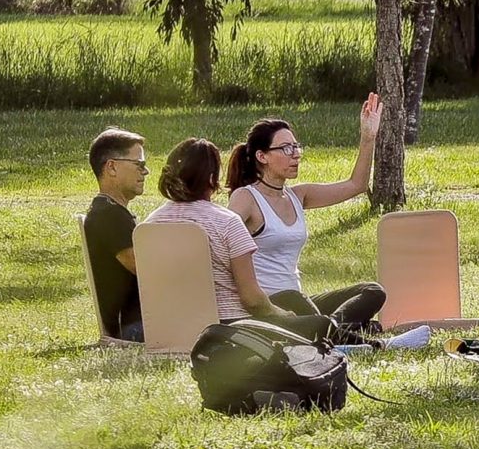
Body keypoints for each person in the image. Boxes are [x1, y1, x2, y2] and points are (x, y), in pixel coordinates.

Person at [143, 138, 349, 340]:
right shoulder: (227, 222)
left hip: (170, 328)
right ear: (211, 178)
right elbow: (252, 300)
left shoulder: (150, 224)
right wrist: (281, 314)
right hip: (230, 326)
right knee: (320, 324)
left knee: (292, 299)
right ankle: (362, 343)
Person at [227, 96, 388, 337]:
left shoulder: (298, 195)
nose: (296, 154)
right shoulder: (246, 197)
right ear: (262, 156)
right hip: (271, 307)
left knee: (373, 291)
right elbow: (224, 234)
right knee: (294, 298)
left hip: (299, 303)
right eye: (286, 148)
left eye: (296, 146)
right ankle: (342, 332)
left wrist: (368, 137)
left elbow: (357, 185)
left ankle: (328, 329)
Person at [84, 127, 147, 341]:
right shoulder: (108, 215)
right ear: (112, 167)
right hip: (132, 329)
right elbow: (145, 269)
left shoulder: (110, 211)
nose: (145, 172)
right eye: (139, 164)